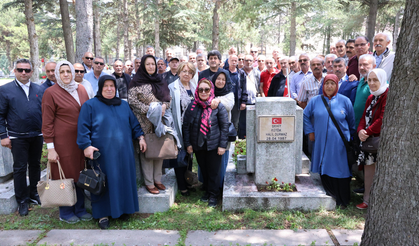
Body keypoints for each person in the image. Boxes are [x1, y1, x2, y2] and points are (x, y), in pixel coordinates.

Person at [77, 75, 146, 229]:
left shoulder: (123, 105)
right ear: (100, 88)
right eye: (105, 86)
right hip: (103, 154)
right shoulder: (90, 105)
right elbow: (83, 129)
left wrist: (141, 137)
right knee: (104, 182)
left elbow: (134, 124)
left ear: (116, 88)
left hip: (124, 152)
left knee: (123, 179)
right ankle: (103, 214)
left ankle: (124, 210)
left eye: (112, 86)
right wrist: (86, 146)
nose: (109, 89)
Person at [41, 61, 91, 223]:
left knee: (80, 173)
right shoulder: (51, 92)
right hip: (62, 143)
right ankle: (66, 211)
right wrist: (50, 148)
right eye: (61, 71)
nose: (66, 74)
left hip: (81, 140)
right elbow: (47, 122)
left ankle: (80, 208)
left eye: (68, 71)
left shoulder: (81, 89)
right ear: (57, 74)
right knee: (64, 174)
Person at [303, 74, 355, 209]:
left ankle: (342, 199)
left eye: (332, 83)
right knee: (324, 165)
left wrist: (350, 139)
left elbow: (351, 123)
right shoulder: (315, 101)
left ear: (337, 85)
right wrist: (310, 132)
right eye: (327, 83)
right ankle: (330, 194)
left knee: (340, 168)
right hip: (321, 142)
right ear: (323, 86)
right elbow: (305, 115)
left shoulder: (345, 101)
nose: (329, 86)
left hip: (339, 143)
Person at [0, 59, 44, 216]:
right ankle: (22, 201)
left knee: (35, 165)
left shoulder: (39, 89)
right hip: (17, 137)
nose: (23, 73)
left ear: (32, 72)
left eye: (27, 70)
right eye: (20, 70)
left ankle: (34, 194)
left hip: (37, 135)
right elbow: (0, 115)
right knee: (19, 168)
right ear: (14, 71)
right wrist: (3, 136)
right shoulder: (5, 90)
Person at [128, 55, 171, 195]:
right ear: (143, 66)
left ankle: (158, 179)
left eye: (153, 64)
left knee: (159, 150)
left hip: (160, 121)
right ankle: (149, 182)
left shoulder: (160, 80)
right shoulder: (135, 82)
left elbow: (167, 99)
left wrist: (164, 106)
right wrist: (150, 110)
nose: (151, 67)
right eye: (148, 64)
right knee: (147, 151)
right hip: (143, 121)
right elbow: (132, 101)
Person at [182, 78, 229, 207]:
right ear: (197, 90)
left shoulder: (218, 106)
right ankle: (208, 192)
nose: (203, 92)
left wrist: (222, 145)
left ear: (211, 90)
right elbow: (186, 126)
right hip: (198, 144)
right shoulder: (192, 106)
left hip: (214, 145)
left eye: (206, 89)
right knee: (204, 170)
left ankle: (214, 196)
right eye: (201, 89)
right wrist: (188, 144)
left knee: (214, 171)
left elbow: (225, 127)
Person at [356, 68, 388, 210]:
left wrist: (367, 132)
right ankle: (366, 200)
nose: (372, 83)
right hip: (368, 140)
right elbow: (364, 117)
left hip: (380, 140)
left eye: (375, 80)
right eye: (369, 80)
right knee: (368, 171)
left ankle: (378, 203)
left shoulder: (387, 94)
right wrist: (360, 131)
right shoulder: (371, 96)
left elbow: (382, 118)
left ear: (382, 79)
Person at [168, 62, 197, 196]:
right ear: (179, 72)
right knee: (180, 155)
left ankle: (188, 179)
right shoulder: (172, 88)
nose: (187, 74)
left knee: (189, 154)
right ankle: (182, 185)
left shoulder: (194, 87)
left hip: (192, 128)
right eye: (184, 71)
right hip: (178, 126)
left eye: (189, 72)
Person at [211, 71, 234, 188]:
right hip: (209, 133)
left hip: (223, 132)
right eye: (218, 79)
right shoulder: (208, 92)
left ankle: (220, 185)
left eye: (223, 79)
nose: (220, 81)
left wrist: (218, 100)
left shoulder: (229, 94)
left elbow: (229, 105)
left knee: (222, 159)